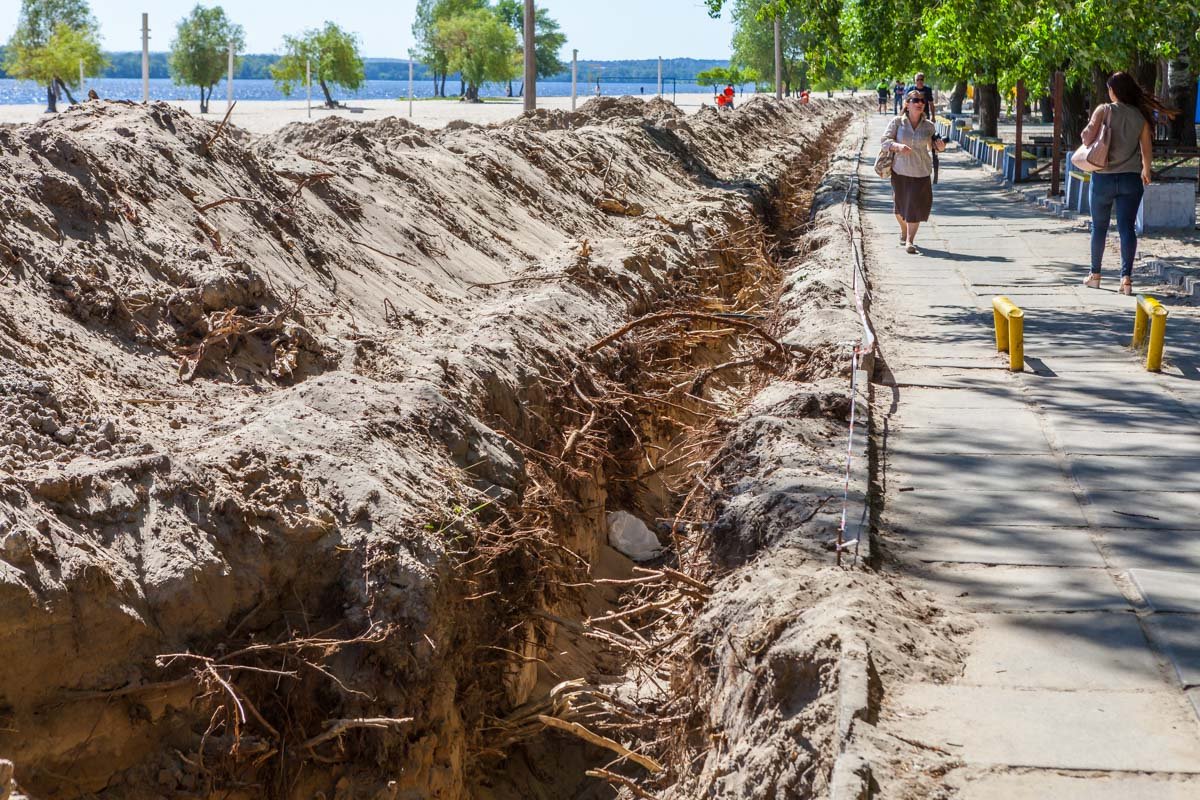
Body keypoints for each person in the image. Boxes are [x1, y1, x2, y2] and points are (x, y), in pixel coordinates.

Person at [1081, 72, 1176, 295]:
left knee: (1099, 227)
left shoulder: (1103, 110)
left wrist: (1087, 131)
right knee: (1127, 228)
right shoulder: (1139, 116)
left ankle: (1095, 275)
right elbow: (1146, 150)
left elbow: (1087, 138)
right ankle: (1126, 280)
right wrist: (1146, 171)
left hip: (1103, 177)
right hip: (1131, 179)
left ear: (1114, 90)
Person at [883, 89, 946, 254]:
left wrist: (940, 147)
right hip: (900, 171)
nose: (920, 103)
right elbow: (884, 141)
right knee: (900, 208)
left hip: (921, 172)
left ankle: (910, 241)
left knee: (915, 207)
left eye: (922, 101)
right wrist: (897, 146)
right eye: (915, 100)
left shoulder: (929, 126)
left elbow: (935, 145)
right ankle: (904, 230)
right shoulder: (897, 122)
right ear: (907, 104)